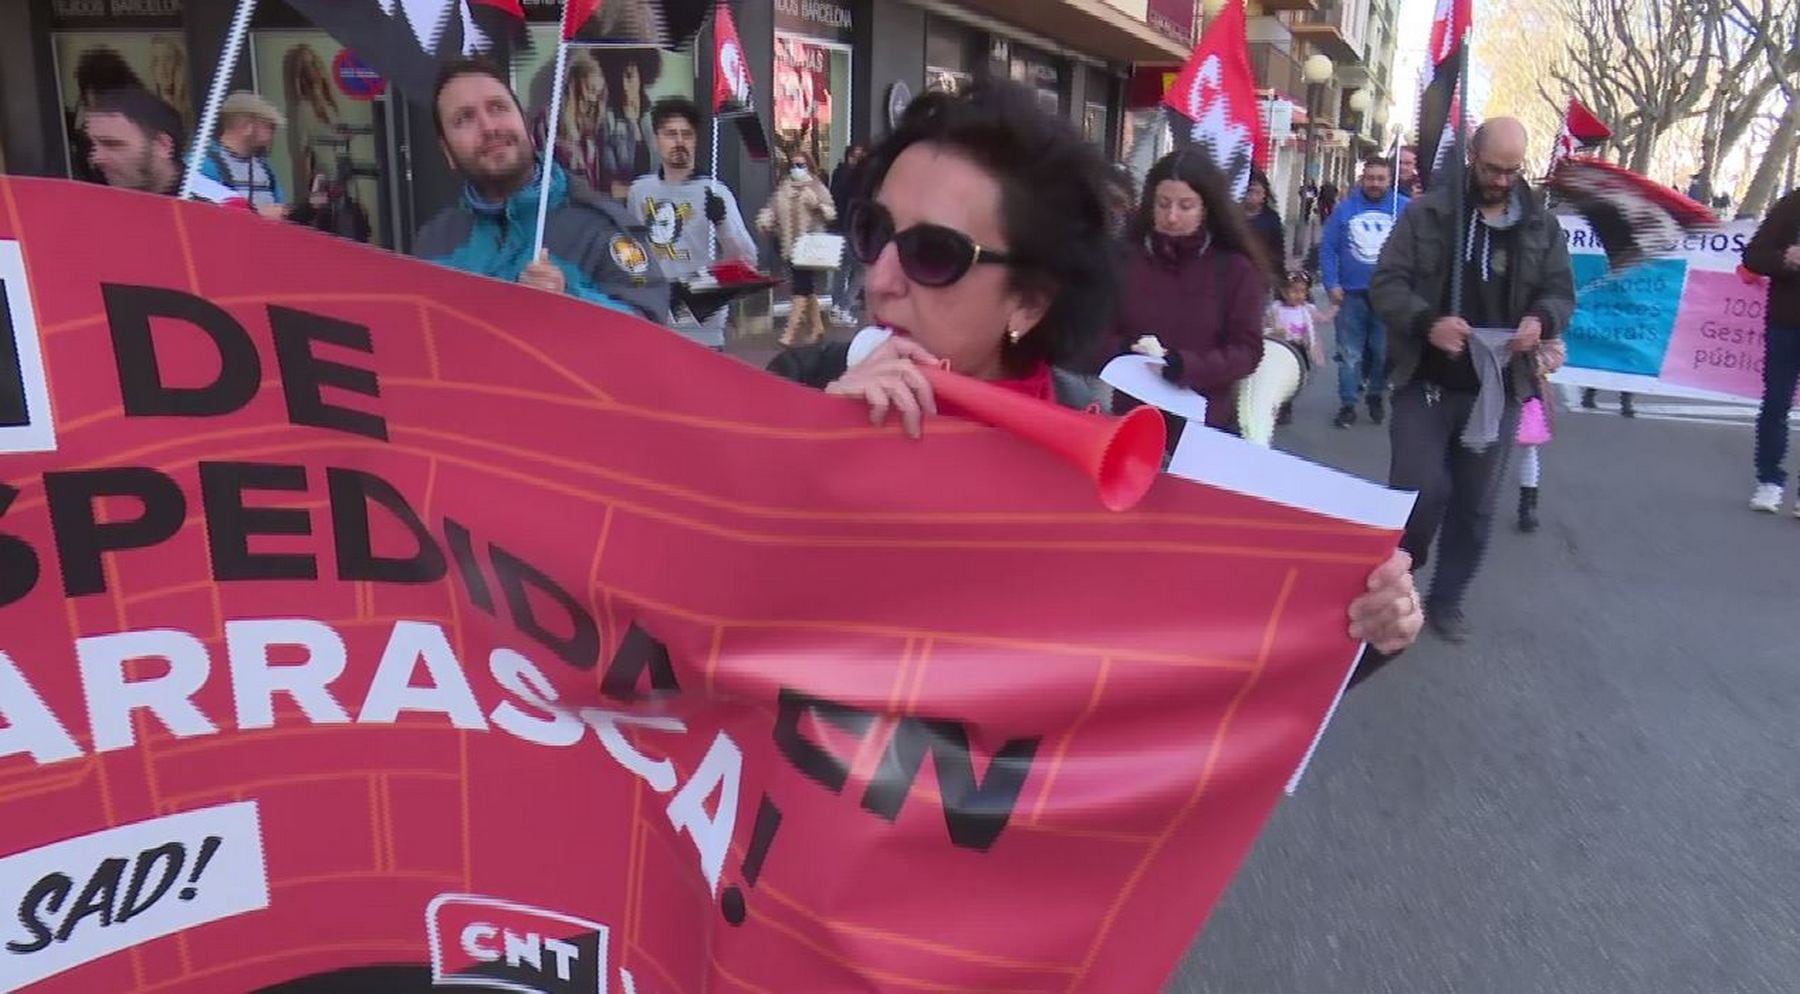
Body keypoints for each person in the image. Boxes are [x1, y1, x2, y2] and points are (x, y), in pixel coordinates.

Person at [767, 80, 1421, 661]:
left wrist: (1364, 617)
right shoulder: (792, 387)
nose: (879, 282)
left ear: (1030, 300)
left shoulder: (1108, 465)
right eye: (873, 231)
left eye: (932, 253)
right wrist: (808, 455)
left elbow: (1211, 658)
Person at [1371, 117, 1575, 643]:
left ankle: (1449, 598)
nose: (1503, 180)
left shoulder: (1540, 225)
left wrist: (1542, 321)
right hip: (1428, 382)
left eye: (1513, 170)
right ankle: (1397, 584)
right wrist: (1426, 322)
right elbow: (1387, 284)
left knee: (1476, 504)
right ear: (1472, 158)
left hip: (1500, 388)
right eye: (1492, 168)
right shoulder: (1427, 215)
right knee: (1418, 490)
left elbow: (1559, 290)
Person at [413, 58, 667, 322]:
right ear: (447, 152)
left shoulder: (600, 229)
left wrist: (570, 298)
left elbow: (649, 326)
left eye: (498, 107)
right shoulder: (434, 243)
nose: (489, 128)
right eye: (464, 119)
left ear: (524, 122)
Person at [1110, 149, 1271, 443]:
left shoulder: (1235, 270)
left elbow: (1247, 351)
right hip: (1131, 422)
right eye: (1163, 204)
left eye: (1185, 206)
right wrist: (1122, 350)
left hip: (1202, 426)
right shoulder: (1123, 260)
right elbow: (1093, 333)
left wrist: (1185, 366)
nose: (1172, 217)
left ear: (1206, 209)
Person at [627, 97, 758, 349]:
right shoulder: (639, 191)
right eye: (671, 134)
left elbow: (748, 260)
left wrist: (722, 223)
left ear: (695, 140)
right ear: (656, 140)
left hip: (703, 326)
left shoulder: (715, 192)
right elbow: (635, 253)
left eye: (686, 134)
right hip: (654, 320)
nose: (679, 142)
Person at [1322, 155, 1408, 428]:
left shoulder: (1404, 209)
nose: (1375, 183)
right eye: (1370, 178)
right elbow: (1328, 248)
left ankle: (1375, 394)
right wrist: (1331, 283)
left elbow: (1419, 249)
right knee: (1350, 353)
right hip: (1351, 295)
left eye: (1381, 179)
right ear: (1362, 179)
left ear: (1389, 180)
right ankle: (1348, 404)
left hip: (1389, 296)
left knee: (1383, 352)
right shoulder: (1344, 210)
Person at [1744, 185, 1800, 514]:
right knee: (1775, 404)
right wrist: (1785, 260)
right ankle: (1769, 481)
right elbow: (1754, 255)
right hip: (1786, 323)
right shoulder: (1793, 204)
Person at [758, 150, 838, 347]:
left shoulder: (816, 186)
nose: (797, 169)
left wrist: (817, 205)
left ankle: (789, 333)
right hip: (789, 248)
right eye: (794, 165)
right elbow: (772, 210)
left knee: (800, 289)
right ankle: (818, 328)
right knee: (807, 289)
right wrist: (765, 220)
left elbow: (831, 213)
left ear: (809, 167)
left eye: (801, 165)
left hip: (810, 247)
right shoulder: (783, 189)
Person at [200, 91, 296, 220]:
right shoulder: (203, 165)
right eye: (269, 126)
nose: (272, 134)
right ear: (247, 127)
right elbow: (202, 216)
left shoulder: (264, 168)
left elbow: (280, 208)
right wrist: (258, 215)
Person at [82, 87, 184, 196]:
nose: (96, 158)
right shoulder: (99, 199)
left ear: (163, 145)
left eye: (112, 144)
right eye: (94, 144)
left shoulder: (200, 200)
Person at [1267, 270, 1327, 425]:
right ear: (1283, 291)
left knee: (1293, 379)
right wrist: (1274, 330)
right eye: (1294, 291)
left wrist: (1335, 308)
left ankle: (1286, 405)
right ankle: (1278, 406)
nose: (1299, 295)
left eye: (1302, 292)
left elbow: (1318, 322)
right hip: (1281, 348)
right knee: (1277, 377)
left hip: (1297, 349)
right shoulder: (1276, 309)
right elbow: (1265, 327)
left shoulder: (1306, 310)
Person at [828, 143, 870, 325]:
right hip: (852, 228)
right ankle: (843, 306)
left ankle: (838, 306)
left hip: (840, 226)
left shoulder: (839, 173)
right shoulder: (857, 177)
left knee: (842, 269)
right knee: (861, 268)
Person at [1241, 169, 1286, 274]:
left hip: (1261, 273)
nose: (1252, 196)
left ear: (1264, 194)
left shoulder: (1271, 218)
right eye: (1249, 191)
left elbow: (1278, 250)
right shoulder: (1232, 215)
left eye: (1257, 192)